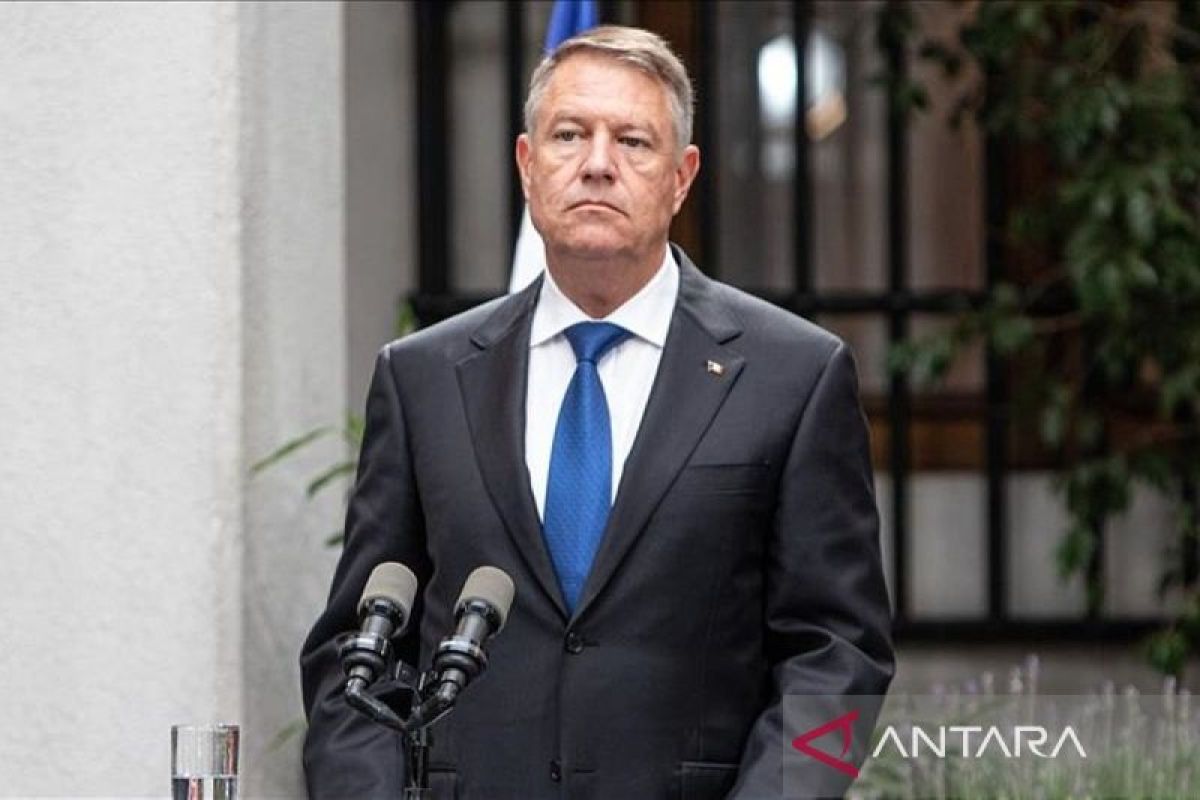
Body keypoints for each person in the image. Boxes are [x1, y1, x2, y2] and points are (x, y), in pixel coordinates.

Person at [301, 25, 893, 799]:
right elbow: (355, 651)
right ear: (527, 165)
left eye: (633, 141)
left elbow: (839, 653)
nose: (598, 164)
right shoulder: (424, 378)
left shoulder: (794, 375)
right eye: (569, 135)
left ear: (681, 177)